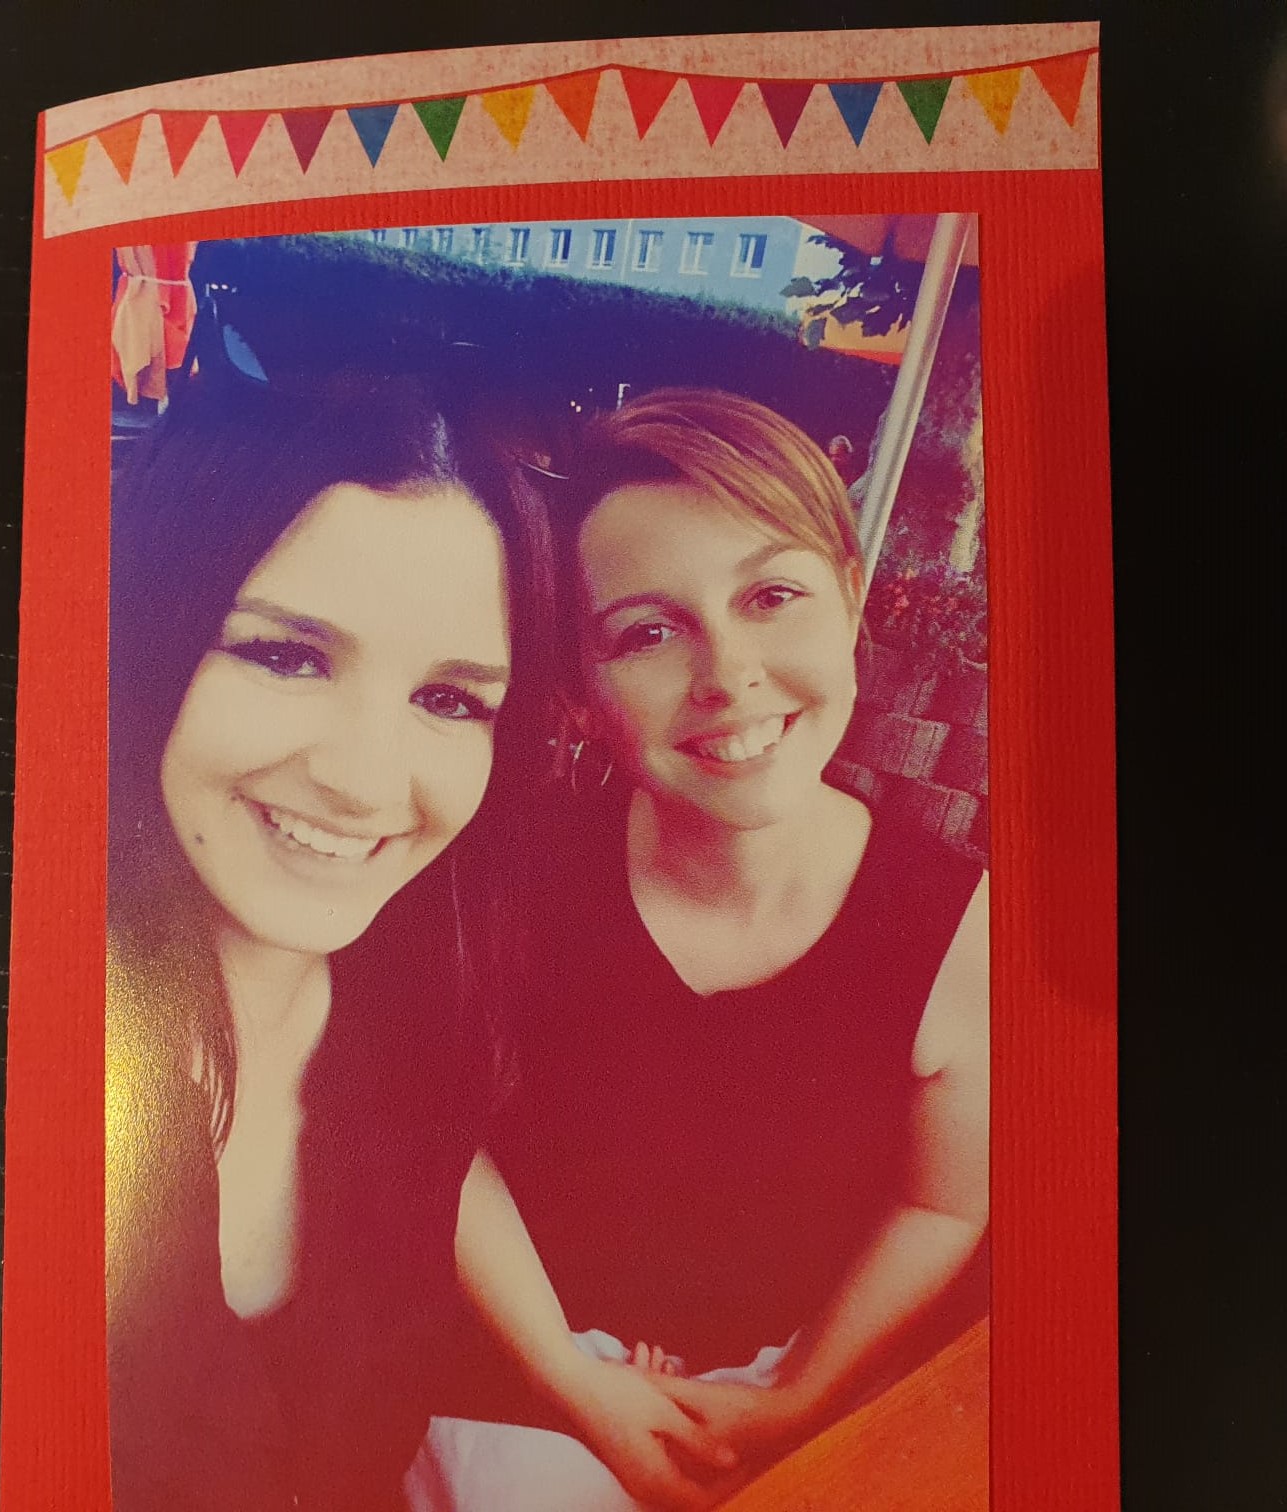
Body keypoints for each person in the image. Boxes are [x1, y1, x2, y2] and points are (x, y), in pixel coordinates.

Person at [415, 388, 988, 1510]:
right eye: (648, 632)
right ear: (579, 694)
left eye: (771, 595)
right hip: (519, 1372)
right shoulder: (511, 877)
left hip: (801, 1375)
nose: (728, 675)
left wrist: (804, 1395)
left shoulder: (958, 921)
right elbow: (436, 1135)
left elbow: (944, 1205)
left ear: (851, 595)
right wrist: (572, 1381)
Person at [104, 369, 554, 1511]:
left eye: (449, 700)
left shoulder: (416, 1030)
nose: (363, 779)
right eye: (286, 655)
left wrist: (583, 1380)